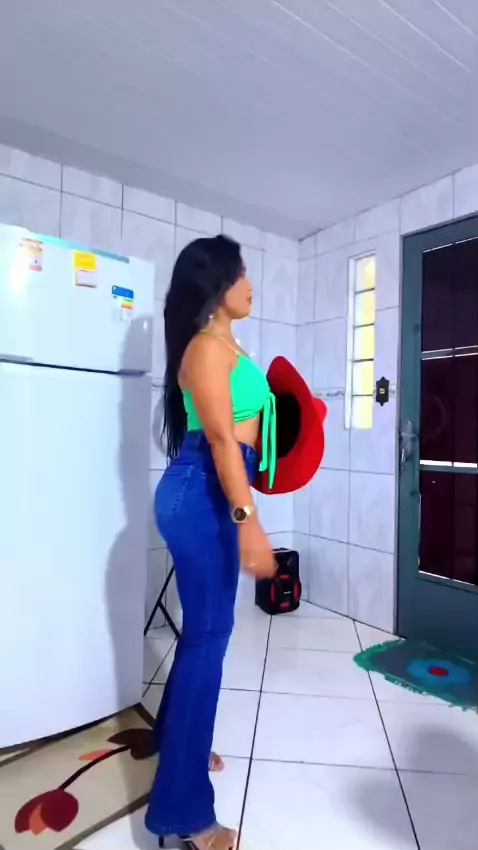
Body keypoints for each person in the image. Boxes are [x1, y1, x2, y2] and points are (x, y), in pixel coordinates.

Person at [145, 235, 277, 850]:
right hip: (203, 492)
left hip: (212, 489)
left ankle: (177, 744)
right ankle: (188, 815)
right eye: (240, 273)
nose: (250, 283)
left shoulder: (226, 346)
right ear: (216, 286)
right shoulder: (203, 348)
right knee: (209, 639)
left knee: (202, 635)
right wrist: (247, 518)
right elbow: (223, 441)